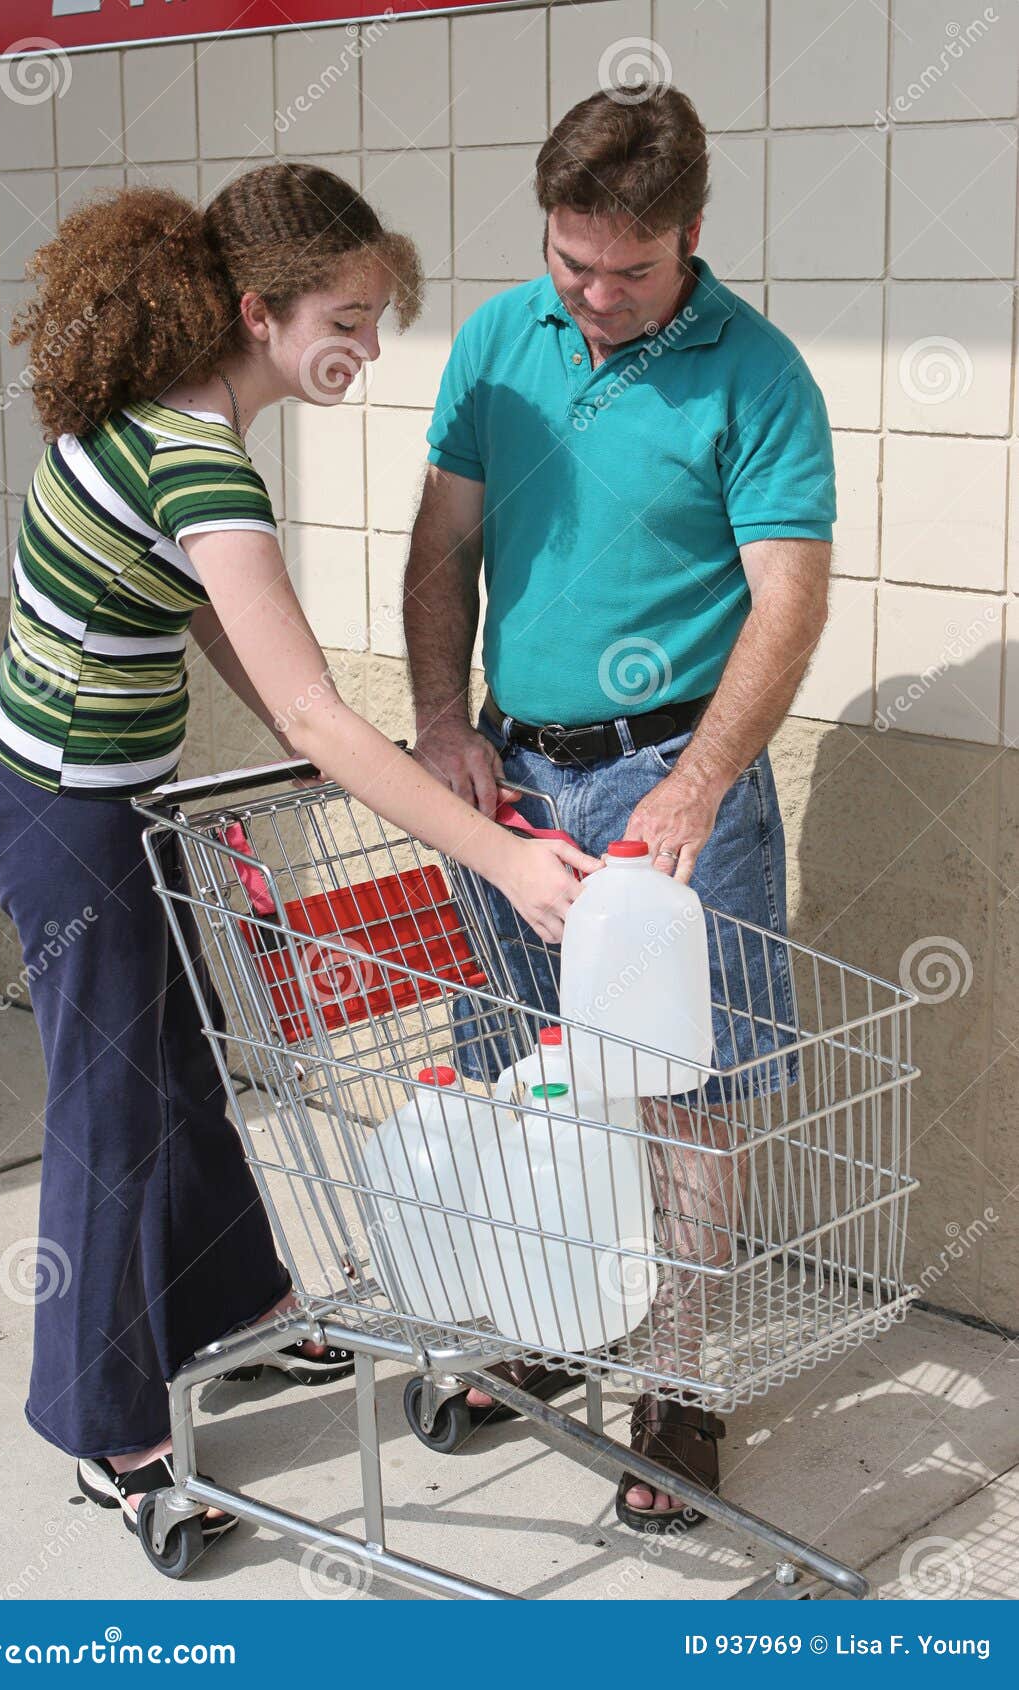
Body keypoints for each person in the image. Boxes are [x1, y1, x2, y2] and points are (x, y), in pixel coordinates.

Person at [0, 164, 599, 1544]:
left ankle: (239, 1301)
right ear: (256, 310)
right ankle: (108, 1429)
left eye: (377, 322)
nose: (368, 351)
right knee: (111, 1116)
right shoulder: (198, 460)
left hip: (85, 796)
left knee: (181, 1063)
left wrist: (316, 735)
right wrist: (498, 856)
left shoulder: (154, 414)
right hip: (72, 820)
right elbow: (314, 705)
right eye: (348, 319)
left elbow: (205, 620)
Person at [404, 83, 836, 1533]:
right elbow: (442, 545)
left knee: (683, 1094)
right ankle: (547, 1307)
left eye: (628, 271)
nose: (592, 296)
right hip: (514, 778)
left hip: (673, 777)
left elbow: (789, 600)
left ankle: (677, 1379)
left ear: (693, 236)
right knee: (527, 1075)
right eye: (569, 262)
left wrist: (701, 779)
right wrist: (442, 722)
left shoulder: (759, 375)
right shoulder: (496, 339)